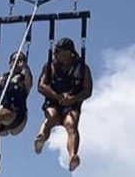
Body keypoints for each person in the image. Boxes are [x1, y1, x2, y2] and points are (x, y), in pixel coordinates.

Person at [34, 38, 93, 172]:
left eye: (58, 52)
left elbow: (88, 90)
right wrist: (58, 96)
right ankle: (41, 137)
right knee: (52, 117)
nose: (55, 54)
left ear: (68, 53)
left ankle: (73, 156)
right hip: (54, 101)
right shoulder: (50, 66)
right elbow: (41, 86)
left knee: (71, 125)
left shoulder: (82, 68)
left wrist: (73, 99)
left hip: (72, 103)